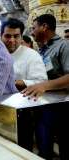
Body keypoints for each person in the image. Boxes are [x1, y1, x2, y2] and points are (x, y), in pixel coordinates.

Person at [22, 14, 69, 160]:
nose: (32, 32)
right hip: (46, 106)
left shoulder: (64, 46)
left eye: (34, 28)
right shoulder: (42, 50)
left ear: (44, 27)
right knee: (44, 146)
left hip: (63, 107)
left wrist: (45, 85)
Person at [0, 18, 48, 151]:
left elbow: (41, 81)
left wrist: (16, 83)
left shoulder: (31, 55)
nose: (12, 40)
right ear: (0, 36)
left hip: (23, 113)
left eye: (16, 36)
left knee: (22, 148)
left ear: (21, 36)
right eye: (7, 36)